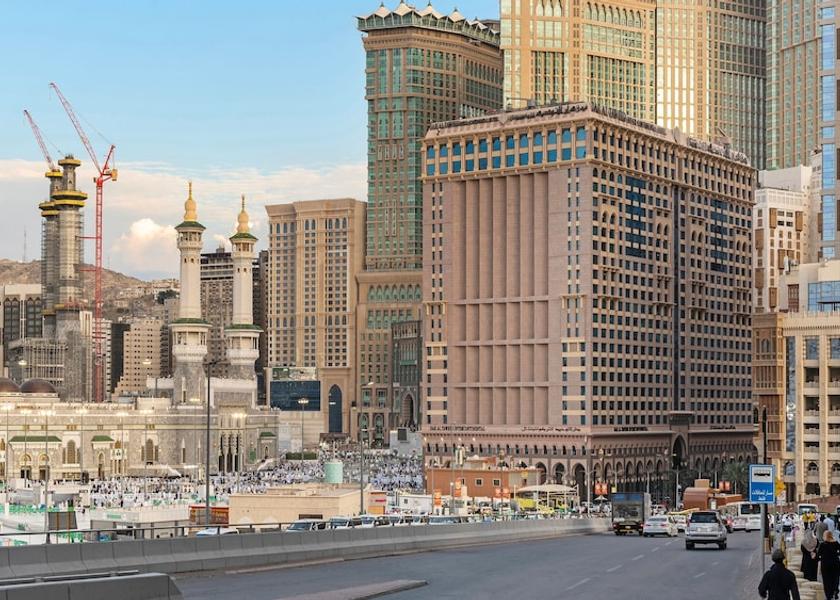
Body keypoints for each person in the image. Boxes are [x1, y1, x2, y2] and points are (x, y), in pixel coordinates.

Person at [818, 530, 840, 600]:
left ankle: (829, 595)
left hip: (826, 564)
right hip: (835, 563)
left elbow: (819, 554)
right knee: (835, 578)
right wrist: (836, 554)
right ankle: (835, 591)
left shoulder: (822, 544)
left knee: (827, 580)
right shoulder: (836, 543)